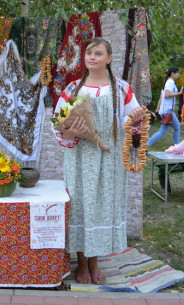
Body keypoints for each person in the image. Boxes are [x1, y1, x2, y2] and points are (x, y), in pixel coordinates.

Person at [52, 38, 146, 285]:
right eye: (88, 53)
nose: (91, 57)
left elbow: (134, 127)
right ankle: (82, 262)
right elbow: (58, 125)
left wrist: (137, 119)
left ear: (108, 58)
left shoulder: (122, 88)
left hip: (109, 158)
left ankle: (95, 261)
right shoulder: (73, 89)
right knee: (82, 207)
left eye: (98, 53)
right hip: (80, 158)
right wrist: (71, 132)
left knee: (101, 208)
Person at [147, 67, 184, 147]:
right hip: (167, 110)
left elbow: (162, 97)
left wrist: (157, 110)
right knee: (163, 131)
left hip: (166, 110)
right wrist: (179, 93)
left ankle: (176, 147)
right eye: (177, 73)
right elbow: (167, 95)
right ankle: (145, 146)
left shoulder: (167, 82)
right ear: (172, 74)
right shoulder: (170, 82)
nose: (178, 74)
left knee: (176, 127)